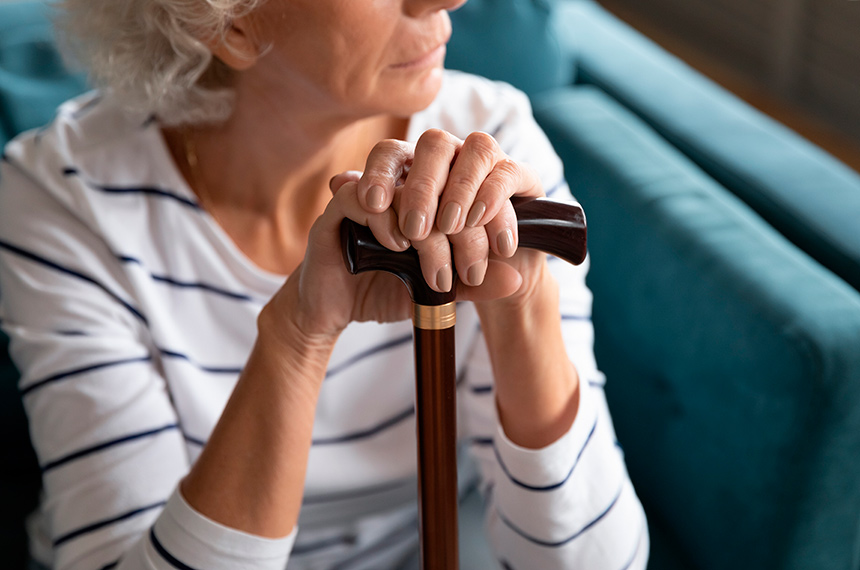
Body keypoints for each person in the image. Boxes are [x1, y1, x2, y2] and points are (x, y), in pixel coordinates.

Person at [0, 0, 649, 568]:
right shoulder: (64, 202)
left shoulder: (493, 144)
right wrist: (295, 338)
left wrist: (523, 305)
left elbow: (597, 563)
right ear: (230, 21)